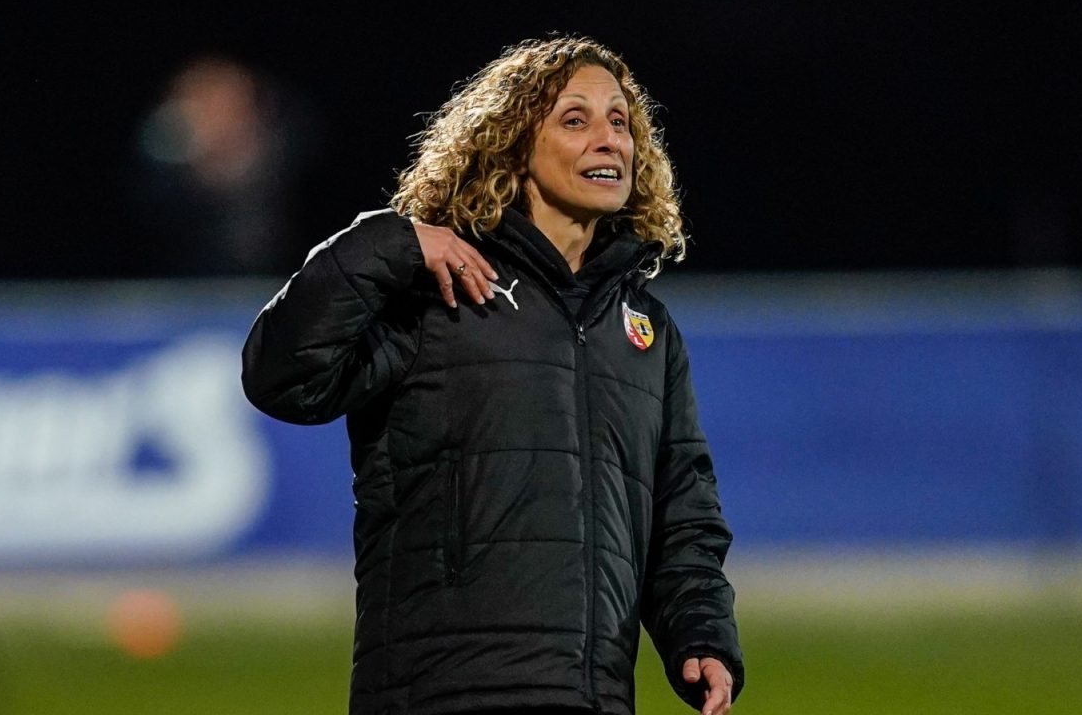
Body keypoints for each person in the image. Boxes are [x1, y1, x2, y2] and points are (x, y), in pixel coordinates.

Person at [242, 37, 743, 715]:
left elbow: (681, 513)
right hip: (441, 693)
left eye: (620, 122)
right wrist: (387, 243)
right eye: (575, 120)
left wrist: (700, 631)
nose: (609, 141)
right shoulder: (436, 291)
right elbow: (281, 377)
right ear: (511, 148)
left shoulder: (645, 332)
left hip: (593, 697)